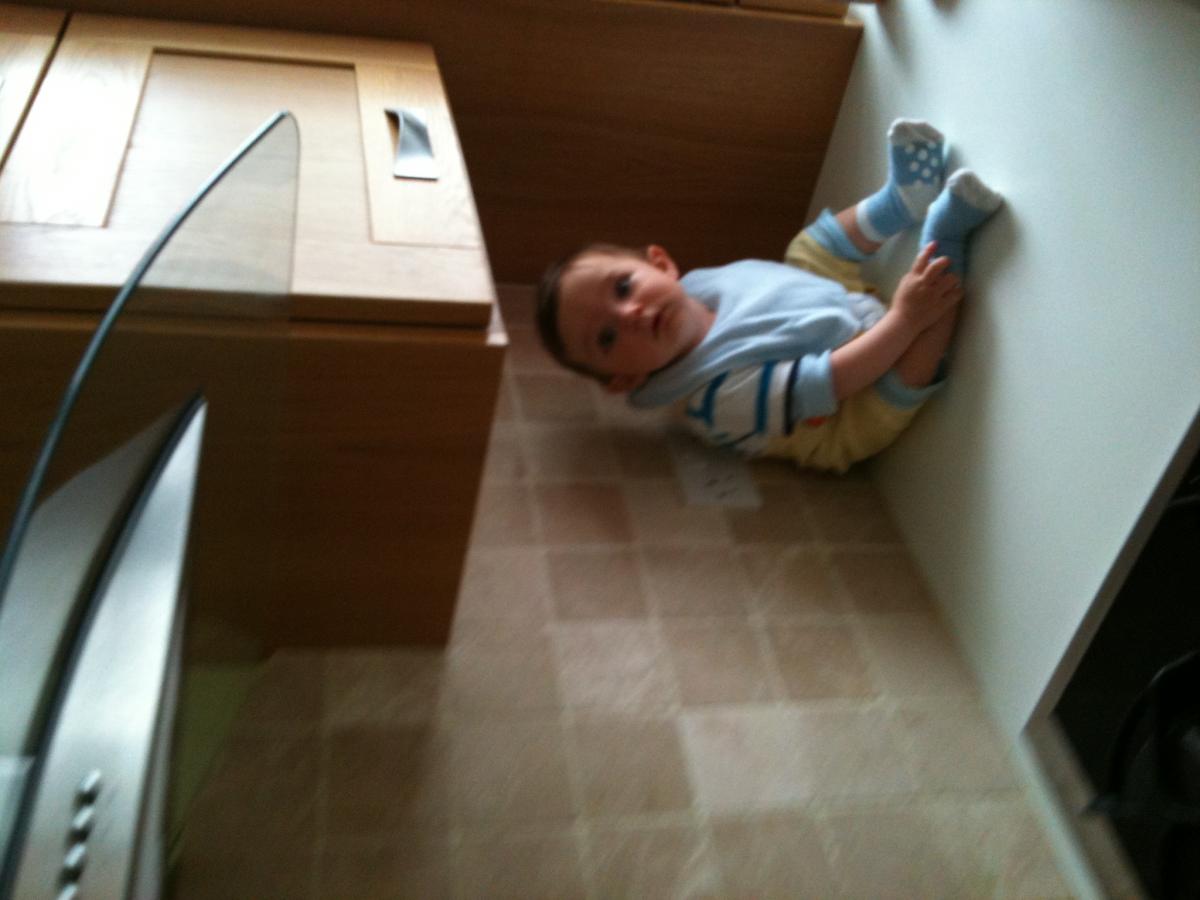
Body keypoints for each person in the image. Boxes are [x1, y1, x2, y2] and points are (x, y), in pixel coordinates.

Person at [535, 120, 1003, 473]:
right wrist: (903, 317)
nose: (630, 313)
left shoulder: (697, 291)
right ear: (622, 381)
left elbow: (776, 290)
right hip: (850, 404)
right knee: (908, 372)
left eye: (622, 287)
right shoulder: (711, 398)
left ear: (659, 263)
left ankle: (901, 201)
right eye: (607, 337)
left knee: (805, 249)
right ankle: (947, 242)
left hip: (826, 310)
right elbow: (831, 381)